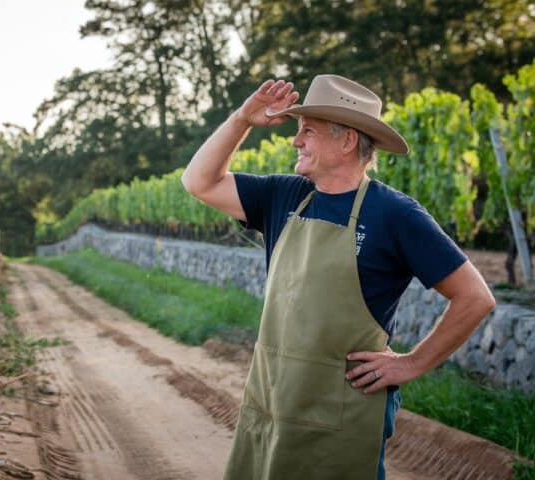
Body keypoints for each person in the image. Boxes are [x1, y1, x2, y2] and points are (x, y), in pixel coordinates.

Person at [181, 74, 496, 479]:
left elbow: (475, 297)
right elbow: (198, 182)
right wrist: (242, 118)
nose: (296, 141)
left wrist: (412, 363)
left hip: (344, 414)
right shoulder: (283, 196)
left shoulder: (396, 215)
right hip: (274, 399)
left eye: (307, 131)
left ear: (346, 141)